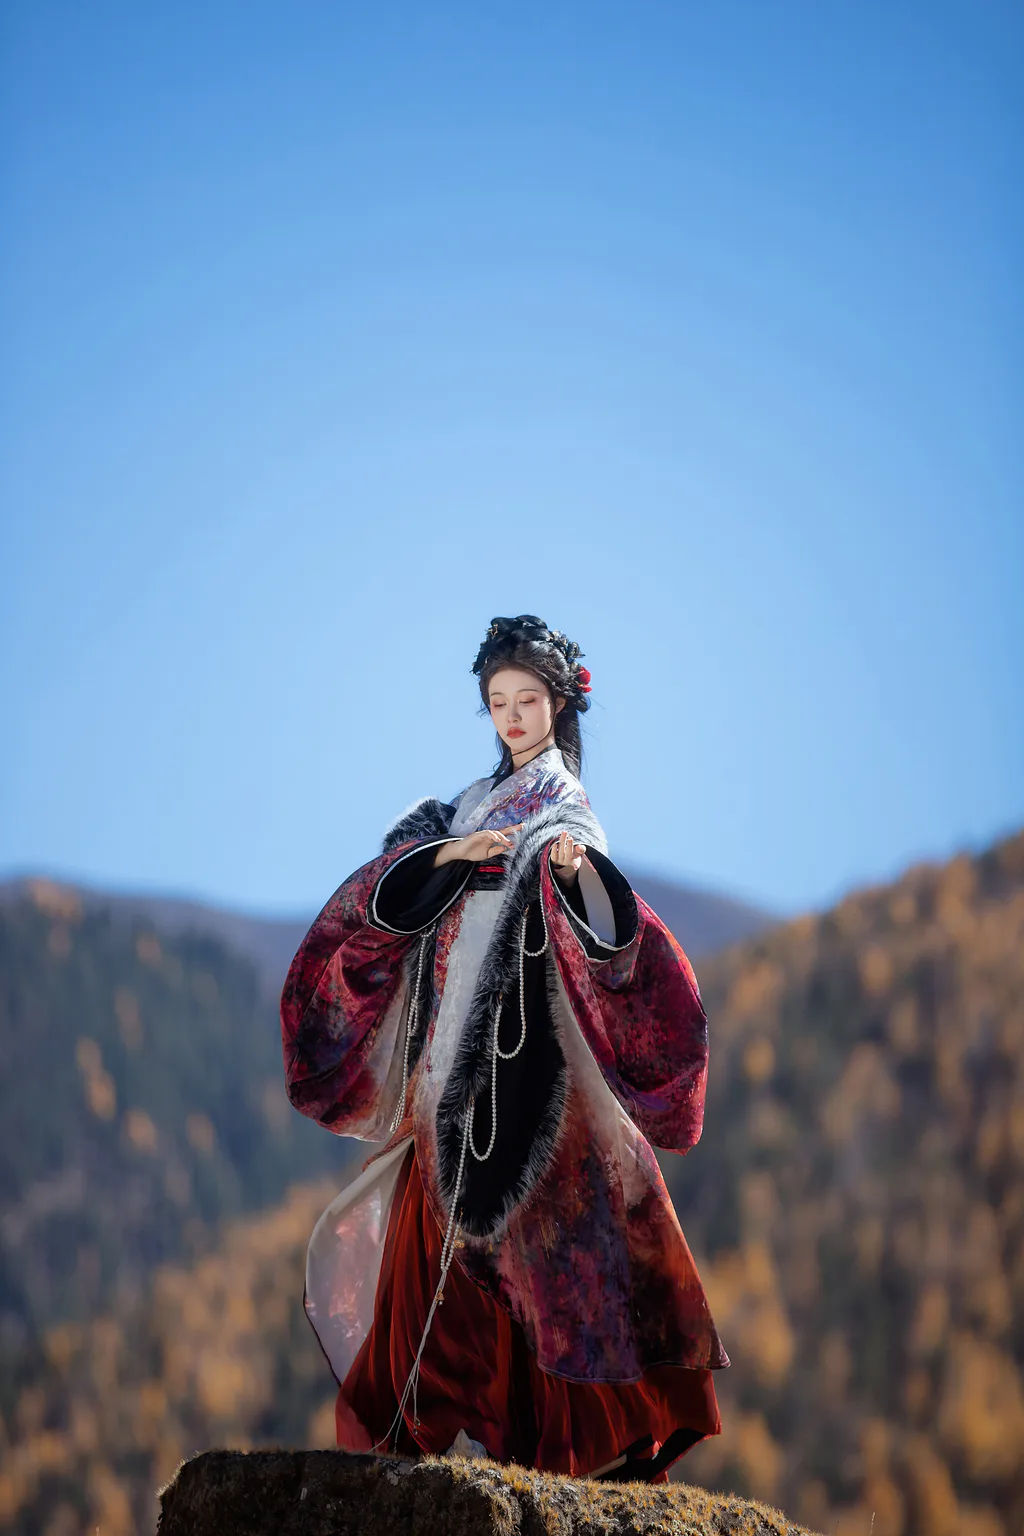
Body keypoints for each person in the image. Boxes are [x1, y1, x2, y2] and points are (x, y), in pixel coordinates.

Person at [280, 614, 728, 1481]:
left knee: (546, 1252)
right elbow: (403, 883)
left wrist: (566, 867)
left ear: (558, 704)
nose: (513, 717)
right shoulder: (467, 803)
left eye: (527, 700)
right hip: (451, 1051)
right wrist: (455, 853)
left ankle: (579, 1437)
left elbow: (597, 903)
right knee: (439, 1234)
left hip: (531, 1065)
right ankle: (414, 1420)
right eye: (498, 702)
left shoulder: (565, 806)